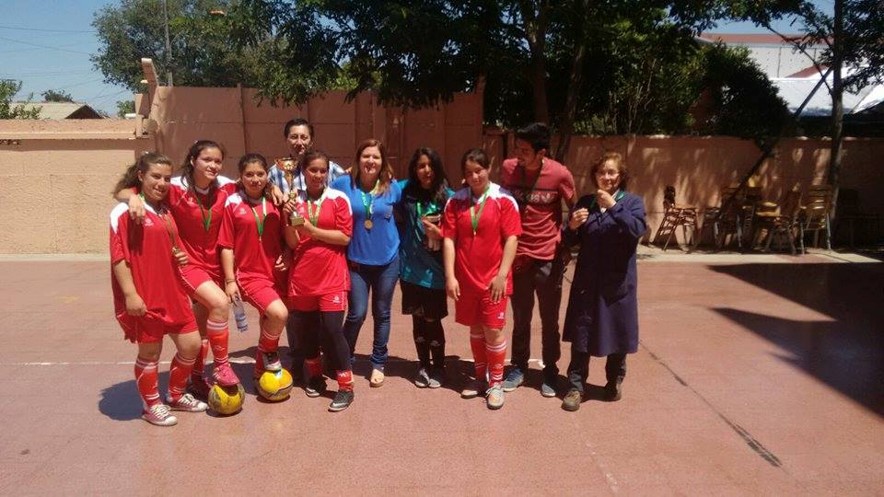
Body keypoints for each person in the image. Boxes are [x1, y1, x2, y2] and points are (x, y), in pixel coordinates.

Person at [118, 140, 240, 397]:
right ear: (193, 160)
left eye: (218, 161)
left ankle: (195, 378)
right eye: (207, 159)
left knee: (202, 328)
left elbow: (253, 183)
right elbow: (124, 190)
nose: (213, 165)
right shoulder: (174, 187)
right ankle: (221, 366)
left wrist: (274, 188)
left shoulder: (225, 187)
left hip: (215, 267)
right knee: (220, 303)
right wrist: (133, 198)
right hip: (189, 264)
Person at [110, 152, 208, 426]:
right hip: (145, 293)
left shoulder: (164, 209)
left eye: (166, 178)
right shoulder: (125, 211)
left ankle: (175, 394)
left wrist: (178, 255)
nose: (162, 183)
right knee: (150, 352)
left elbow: (166, 244)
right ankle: (151, 405)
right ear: (141, 176)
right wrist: (130, 294)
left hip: (173, 291)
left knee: (191, 345)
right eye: (156, 176)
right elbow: (119, 257)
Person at [560, 151, 647, 412]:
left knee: (617, 332)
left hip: (617, 284)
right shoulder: (586, 202)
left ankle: (614, 381)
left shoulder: (632, 202)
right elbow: (568, 241)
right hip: (587, 283)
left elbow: (637, 230)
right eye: (601, 172)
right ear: (595, 175)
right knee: (582, 334)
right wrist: (572, 227)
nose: (606, 177)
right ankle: (576, 386)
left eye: (611, 172)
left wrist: (614, 207)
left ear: (621, 176)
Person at [500, 122, 576, 397]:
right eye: (516, 149)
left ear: (541, 152)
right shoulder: (508, 169)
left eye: (525, 150)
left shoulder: (560, 174)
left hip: (548, 258)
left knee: (549, 319)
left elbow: (575, 210)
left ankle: (550, 370)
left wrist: (565, 242)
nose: (518, 155)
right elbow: (501, 203)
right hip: (518, 257)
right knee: (521, 317)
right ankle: (519, 367)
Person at [267, 117, 346, 381]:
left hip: (323, 250)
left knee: (327, 316)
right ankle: (299, 359)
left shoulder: (331, 170)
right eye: (294, 137)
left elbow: (348, 191)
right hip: (291, 247)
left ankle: (328, 359)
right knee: (297, 314)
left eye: (304, 137)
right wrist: (270, 187)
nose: (299, 142)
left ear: (311, 140)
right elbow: (256, 188)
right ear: (286, 139)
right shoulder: (275, 172)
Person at [442, 148, 521, 410]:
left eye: (479, 170)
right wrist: (450, 276)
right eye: (469, 172)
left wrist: (501, 275)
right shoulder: (455, 201)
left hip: (493, 282)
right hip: (466, 280)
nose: (474, 176)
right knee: (475, 329)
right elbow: (449, 240)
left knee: (493, 331)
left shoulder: (504, 199)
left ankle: (496, 384)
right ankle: (479, 378)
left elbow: (512, 239)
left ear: (489, 169)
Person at [285, 150, 356, 411]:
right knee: (306, 330)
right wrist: (288, 220)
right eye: (312, 170)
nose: (318, 175)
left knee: (332, 330)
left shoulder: (338, 199)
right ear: (303, 171)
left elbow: (345, 237)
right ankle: (315, 376)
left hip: (332, 275)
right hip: (303, 276)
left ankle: (346, 387)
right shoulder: (294, 200)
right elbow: (293, 242)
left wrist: (312, 230)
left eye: (322, 170)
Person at [331, 139, 402, 388]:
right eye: (366, 156)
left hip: (387, 261)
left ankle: (378, 363)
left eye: (376, 157)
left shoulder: (393, 187)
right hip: (356, 262)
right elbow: (319, 195)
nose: (370, 161)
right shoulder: (342, 184)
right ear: (358, 159)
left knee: (382, 314)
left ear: (383, 162)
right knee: (357, 313)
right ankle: (344, 358)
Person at [218, 154, 289, 382]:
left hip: (277, 272)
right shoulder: (232, 203)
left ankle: (260, 371)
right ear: (240, 177)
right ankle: (268, 351)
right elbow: (226, 245)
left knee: (268, 319)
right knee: (279, 314)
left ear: (267, 176)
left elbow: (287, 236)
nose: (255, 179)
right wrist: (230, 280)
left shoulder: (276, 200)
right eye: (249, 174)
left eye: (260, 174)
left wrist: (288, 254)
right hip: (250, 274)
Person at [396, 147, 454, 388]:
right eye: (421, 166)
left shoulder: (449, 196)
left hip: (436, 272)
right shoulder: (405, 190)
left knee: (432, 319)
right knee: (418, 319)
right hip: (410, 269)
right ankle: (423, 365)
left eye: (430, 165)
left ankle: (439, 367)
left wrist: (441, 234)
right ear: (414, 169)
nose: (426, 170)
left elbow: (459, 231)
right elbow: (381, 187)